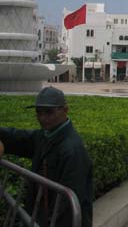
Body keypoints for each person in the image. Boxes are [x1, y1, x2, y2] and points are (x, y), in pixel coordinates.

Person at [0, 87, 93, 227]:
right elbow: (17, 138)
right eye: (39, 112)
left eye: (49, 112)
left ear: (65, 110)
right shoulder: (45, 135)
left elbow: (66, 207)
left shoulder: (73, 150)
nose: (43, 118)